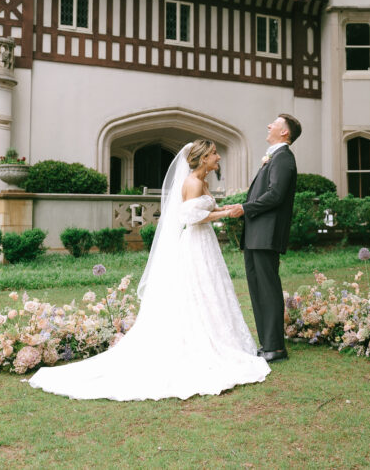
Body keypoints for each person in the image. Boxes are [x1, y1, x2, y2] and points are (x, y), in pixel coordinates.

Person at [27, 139, 269, 400]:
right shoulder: (193, 182)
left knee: (212, 290)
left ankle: (224, 338)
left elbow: (204, 208)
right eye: (213, 154)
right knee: (196, 290)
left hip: (206, 243)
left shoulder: (204, 182)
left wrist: (226, 208)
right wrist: (225, 215)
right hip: (195, 244)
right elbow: (189, 216)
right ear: (202, 159)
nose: (218, 157)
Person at [229, 114, 300, 363]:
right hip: (256, 234)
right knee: (257, 289)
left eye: (275, 123)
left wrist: (245, 208)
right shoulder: (275, 157)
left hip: (266, 235)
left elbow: (275, 195)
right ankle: (267, 343)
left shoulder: (283, 159)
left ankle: (276, 347)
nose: (269, 125)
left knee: (268, 290)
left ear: (285, 132)